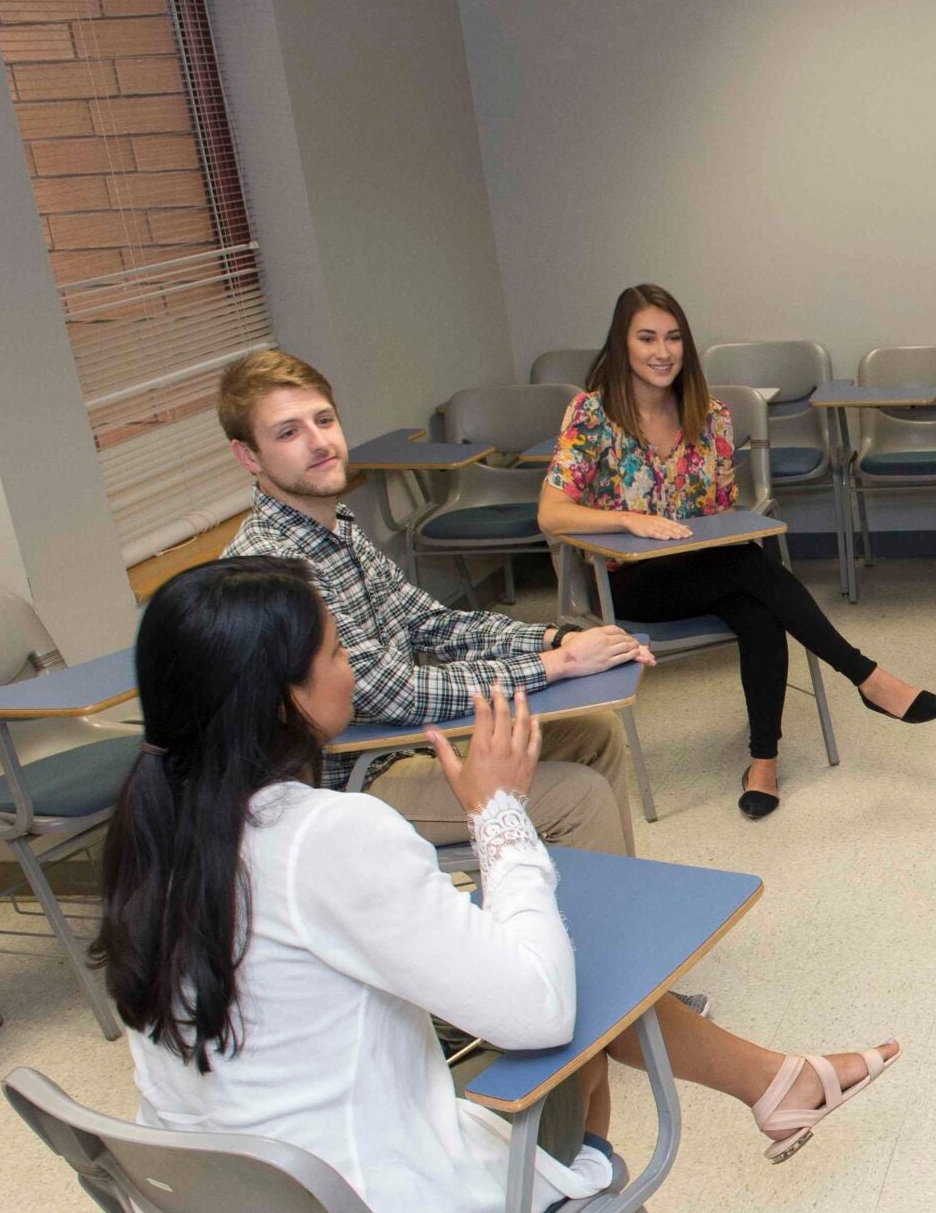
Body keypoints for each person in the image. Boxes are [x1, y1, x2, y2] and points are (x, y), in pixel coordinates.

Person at [97, 560, 902, 1213]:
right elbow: (541, 1012)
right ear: (280, 699)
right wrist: (498, 816)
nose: (350, 670)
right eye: (336, 655)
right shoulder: (326, 836)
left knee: (528, 957)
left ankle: (774, 1083)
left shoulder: (151, 829)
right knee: (579, 999)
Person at [538, 284, 936, 817]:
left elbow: (724, 512)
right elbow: (551, 513)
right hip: (631, 583)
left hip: (710, 569)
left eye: (673, 338)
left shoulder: (709, 414)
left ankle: (764, 762)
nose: (662, 352)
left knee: (759, 607)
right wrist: (628, 519)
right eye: (646, 338)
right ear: (621, 344)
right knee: (753, 569)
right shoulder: (591, 414)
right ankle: (866, 677)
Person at [221, 348, 650, 855]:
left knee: (592, 734)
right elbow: (389, 693)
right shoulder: (270, 565)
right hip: (343, 780)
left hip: (401, 742)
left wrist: (556, 637)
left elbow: (433, 625)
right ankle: (563, 930)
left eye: (324, 420)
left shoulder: (337, 527)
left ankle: (565, 914)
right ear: (248, 457)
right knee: (575, 799)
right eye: (288, 433)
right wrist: (555, 664)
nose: (319, 443)